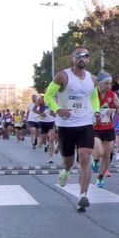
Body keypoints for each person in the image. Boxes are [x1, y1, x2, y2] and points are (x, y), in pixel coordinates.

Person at [44, 47, 98, 212]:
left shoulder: (93, 79)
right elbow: (47, 96)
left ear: (88, 59)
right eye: (78, 55)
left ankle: (82, 195)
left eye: (85, 56)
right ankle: (66, 171)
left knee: (84, 157)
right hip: (66, 125)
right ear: (72, 58)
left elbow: (94, 97)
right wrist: (57, 108)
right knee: (68, 160)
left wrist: (96, 111)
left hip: (85, 123)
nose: (82, 58)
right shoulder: (63, 76)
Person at [91, 73, 119, 187]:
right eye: (106, 83)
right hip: (94, 127)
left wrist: (113, 110)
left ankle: (100, 177)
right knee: (99, 151)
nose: (109, 86)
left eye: (110, 83)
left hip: (108, 127)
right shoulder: (92, 94)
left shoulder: (112, 95)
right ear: (99, 83)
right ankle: (95, 160)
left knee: (107, 154)